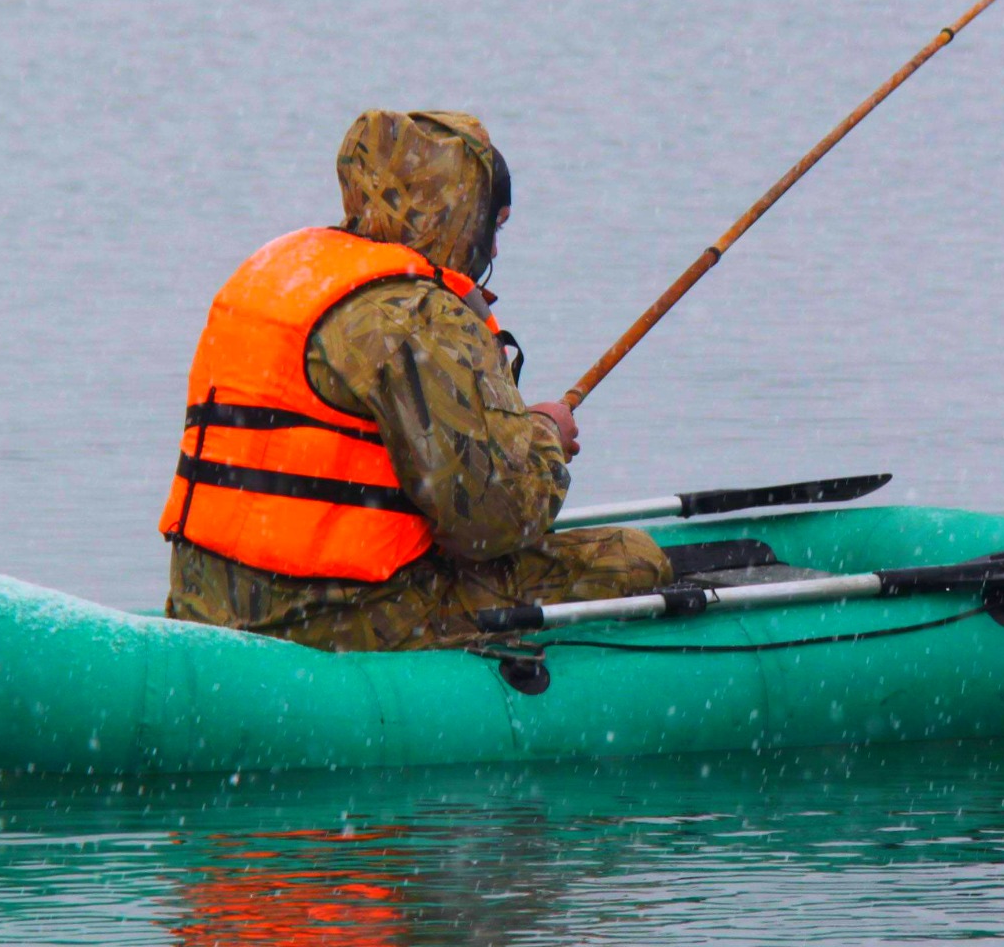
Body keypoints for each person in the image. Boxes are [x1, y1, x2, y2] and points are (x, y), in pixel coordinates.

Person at [161, 109, 670, 650]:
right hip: (341, 617)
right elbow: (492, 523)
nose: (494, 250)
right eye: (493, 225)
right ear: (459, 212)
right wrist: (545, 435)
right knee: (634, 560)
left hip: (205, 604)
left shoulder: (274, 273)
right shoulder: (418, 318)